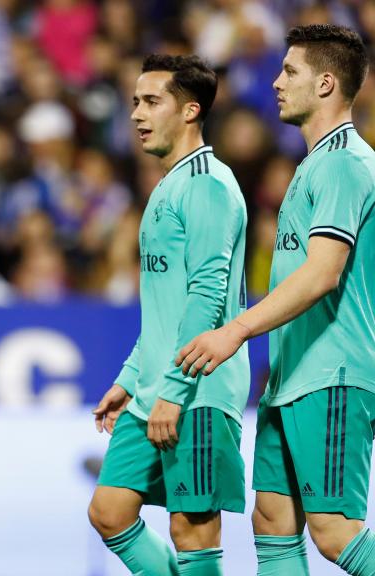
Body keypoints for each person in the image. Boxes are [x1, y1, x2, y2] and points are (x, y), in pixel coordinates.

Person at [176, 24, 375, 575]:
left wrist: (235, 329)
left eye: (290, 71)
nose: (276, 82)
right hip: (293, 376)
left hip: (332, 373)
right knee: (272, 519)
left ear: (327, 83)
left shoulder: (343, 163)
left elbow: (323, 274)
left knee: (334, 532)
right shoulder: (313, 163)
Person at [88, 54, 250, 575]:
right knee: (109, 512)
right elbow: (163, 309)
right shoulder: (167, 185)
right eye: (135, 101)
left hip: (198, 390)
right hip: (157, 387)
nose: (136, 113)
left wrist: (173, 393)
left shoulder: (207, 184)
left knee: (192, 528)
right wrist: (132, 380)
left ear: (190, 111)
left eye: (151, 101)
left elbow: (206, 295)